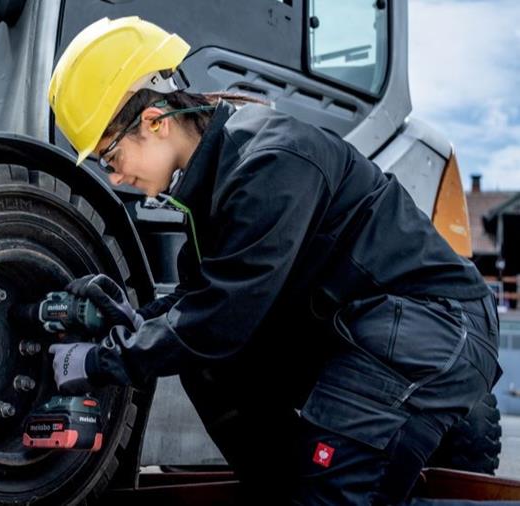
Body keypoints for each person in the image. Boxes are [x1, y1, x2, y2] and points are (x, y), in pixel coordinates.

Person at [46, 16, 501, 505]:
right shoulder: (214, 182)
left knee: (333, 489)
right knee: (209, 370)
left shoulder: (266, 162)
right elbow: (200, 304)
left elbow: (219, 319)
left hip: (429, 324)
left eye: (111, 157)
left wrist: (103, 360)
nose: (114, 178)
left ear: (155, 122)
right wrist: (132, 319)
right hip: (360, 330)